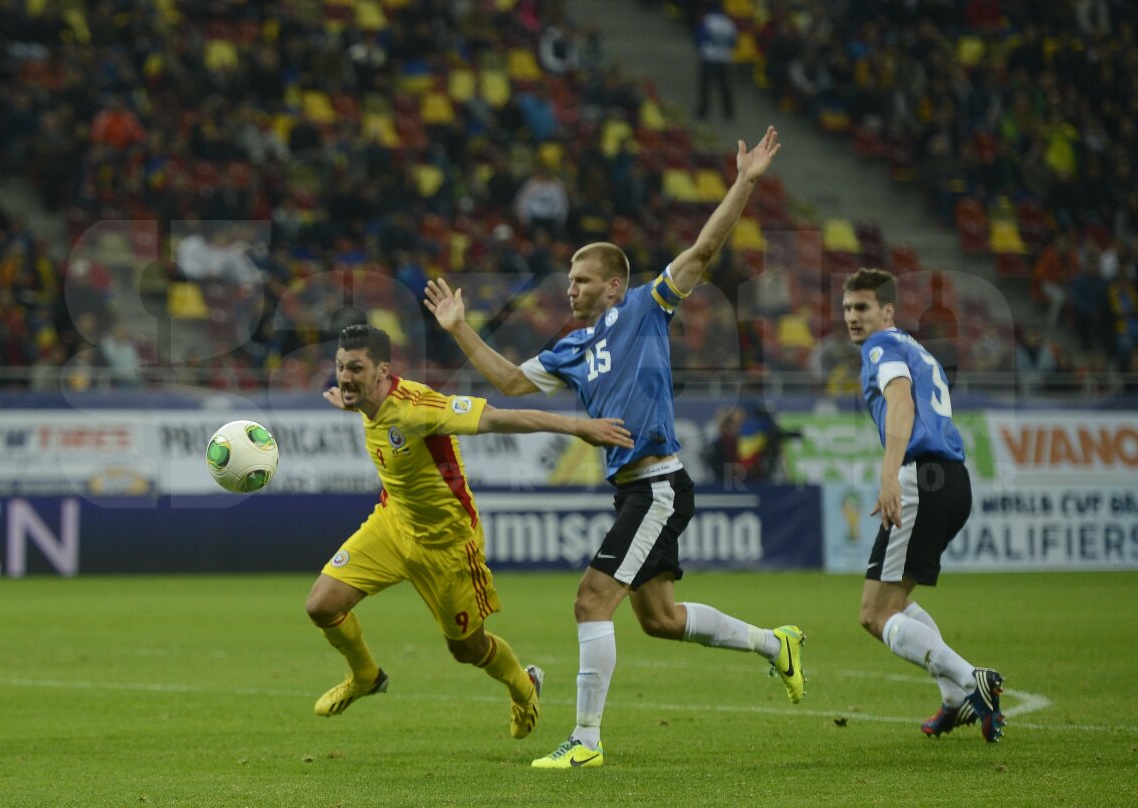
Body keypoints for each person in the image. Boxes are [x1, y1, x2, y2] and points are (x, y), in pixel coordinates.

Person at [426, 126, 806, 769]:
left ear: (611, 284)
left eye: (580, 279)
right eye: (568, 279)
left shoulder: (646, 307)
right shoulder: (571, 348)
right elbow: (511, 382)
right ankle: (776, 645)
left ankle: (587, 740)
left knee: (590, 600)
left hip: (657, 483)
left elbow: (705, 248)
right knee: (659, 618)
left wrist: (745, 180)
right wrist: (460, 330)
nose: (568, 288)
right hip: (634, 488)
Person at [305, 324, 635, 741]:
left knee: (467, 650)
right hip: (392, 526)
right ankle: (366, 676)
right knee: (321, 605)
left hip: (448, 545)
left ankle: (523, 685)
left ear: (383, 370)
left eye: (355, 368)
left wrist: (578, 428)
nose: (345, 377)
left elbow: (499, 418)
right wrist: (349, 401)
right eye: (340, 367)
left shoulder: (420, 407)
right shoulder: (367, 399)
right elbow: (369, 406)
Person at [842, 267, 1006, 743]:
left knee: (876, 614)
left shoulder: (881, 347)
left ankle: (973, 678)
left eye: (863, 308)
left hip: (921, 477)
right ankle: (955, 699)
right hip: (951, 480)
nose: (853, 317)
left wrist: (890, 474)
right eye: (848, 308)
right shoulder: (916, 348)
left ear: (886, 311)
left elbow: (902, 403)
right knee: (895, 602)